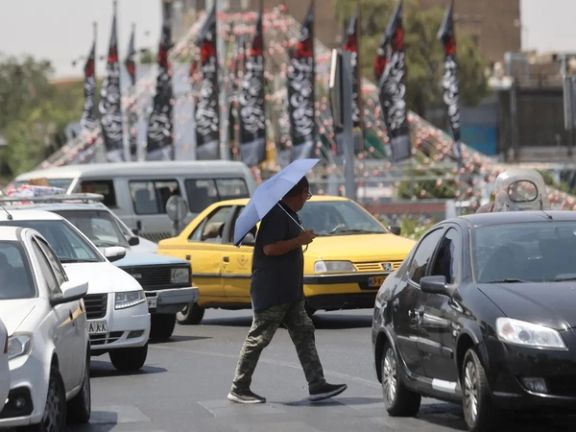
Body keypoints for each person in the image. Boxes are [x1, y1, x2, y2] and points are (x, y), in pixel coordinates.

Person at [227, 176, 347, 404]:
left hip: (290, 292)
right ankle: (239, 387)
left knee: (304, 332)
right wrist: (299, 240)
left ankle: (317, 384)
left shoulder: (287, 214)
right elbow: (270, 248)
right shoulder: (275, 215)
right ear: (301, 193)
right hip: (273, 291)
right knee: (258, 338)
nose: (306, 199)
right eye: (307, 194)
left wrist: (301, 238)